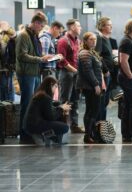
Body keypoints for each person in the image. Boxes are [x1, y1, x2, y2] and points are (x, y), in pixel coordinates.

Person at [16, 12, 54, 143]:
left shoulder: (34, 35)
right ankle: (23, 133)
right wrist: (40, 59)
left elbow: (33, 53)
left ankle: (29, 131)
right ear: (36, 23)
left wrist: (44, 56)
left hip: (35, 72)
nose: (42, 28)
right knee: (26, 104)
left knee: (33, 104)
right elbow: (22, 55)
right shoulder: (23, 35)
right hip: (27, 74)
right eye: (41, 26)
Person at [23, 76, 71, 145]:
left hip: (30, 125)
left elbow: (48, 112)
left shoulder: (41, 94)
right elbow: (51, 117)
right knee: (65, 127)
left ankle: (54, 139)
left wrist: (60, 107)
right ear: (50, 85)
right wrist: (61, 108)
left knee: (59, 112)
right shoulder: (45, 97)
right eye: (55, 86)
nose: (56, 89)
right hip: (35, 126)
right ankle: (44, 136)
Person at [77, 32, 104, 144]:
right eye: (91, 39)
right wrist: (96, 85)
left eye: (95, 39)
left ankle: (90, 134)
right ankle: (88, 136)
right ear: (85, 41)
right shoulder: (85, 53)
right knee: (92, 111)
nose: (94, 41)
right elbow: (88, 71)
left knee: (92, 110)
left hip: (92, 86)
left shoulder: (90, 52)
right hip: (90, 87)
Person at [57, 19, 84, 134]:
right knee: (65, 100)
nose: (80, 28)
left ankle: (74, 125)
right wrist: (75, 71)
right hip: (67, 74)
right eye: (78, 26)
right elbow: (61, 61)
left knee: (75, 100)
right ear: (72, 27)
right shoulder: (63, 40)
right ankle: (61, 126)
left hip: (75, 73)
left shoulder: (77, 40)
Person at [95, 17, 116, 120]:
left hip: (109, 73)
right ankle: (99, 126)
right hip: (103, 75)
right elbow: (97, 56)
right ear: (102, 27)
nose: (111, 26)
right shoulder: (99, 38)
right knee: (101, 102)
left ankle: (102, 125)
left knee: (105, 101)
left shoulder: (107, 39)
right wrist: (105, 70)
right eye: (108, 25)